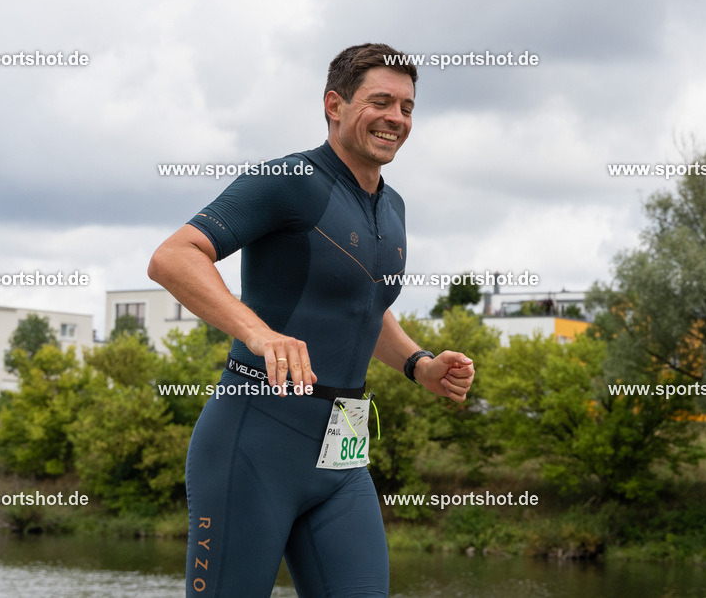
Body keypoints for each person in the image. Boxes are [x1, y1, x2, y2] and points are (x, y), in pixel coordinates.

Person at [147, 42, 477, 597]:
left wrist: (418, 363)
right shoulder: (290, 180)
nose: (396, 118)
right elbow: (173, 256)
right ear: (335, 104)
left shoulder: (391, 206)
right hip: (255, 440)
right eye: (381, 102)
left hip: (343, 448)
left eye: (407, 107)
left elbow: (365, 304)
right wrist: (258, 331)